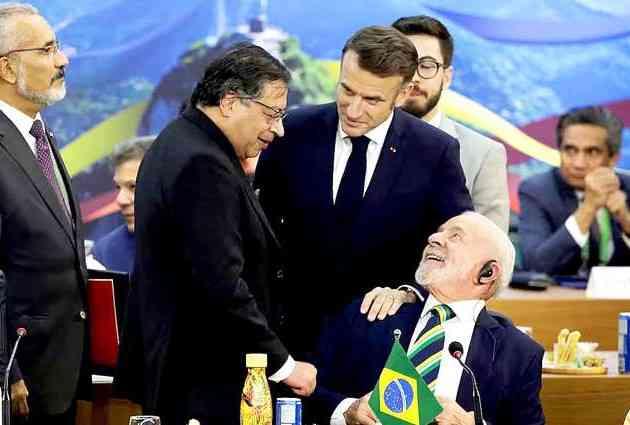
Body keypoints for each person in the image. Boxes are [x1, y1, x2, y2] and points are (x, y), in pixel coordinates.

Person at [124, 43, 316, 425]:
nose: (278, 130)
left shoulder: (180, 140)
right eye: (272, 114)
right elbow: (219, 284)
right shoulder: (203, 164)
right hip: (204, 382)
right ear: (230, 102)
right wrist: (283, 364)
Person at [255, 26, 472, 359]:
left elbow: (459, 246)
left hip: (380, 345)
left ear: (403, 93)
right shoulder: (293, 131)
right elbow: (259, 228)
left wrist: (409, 291)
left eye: (372, 100)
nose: (354, 110)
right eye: (347, 90)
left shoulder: (434, 151)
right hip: (288, 339)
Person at [310, 212, 544, 425]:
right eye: (439, 232)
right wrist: (346, 411)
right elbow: (305, 390)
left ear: (488, 273)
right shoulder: (372, 313)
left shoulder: (518, 354)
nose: (434, 238)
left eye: (455, 236)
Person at [0, 3, 90, 424]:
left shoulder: (38, 132)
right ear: (6, 68)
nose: (62, 59)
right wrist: (5, 369)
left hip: (59, 371)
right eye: (47, 49)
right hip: (19, 377)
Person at [393, 15, 509, 232]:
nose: (413, 77)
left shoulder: (483, 154)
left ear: (446, 77)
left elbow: (492, 246)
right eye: (402, 64)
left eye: (426, 66)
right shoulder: (356, 135)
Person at [519, 106, 630, 275]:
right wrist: (588, 208)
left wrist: (625, 219)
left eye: (592, 152)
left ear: (613, 158)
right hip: (558, 291)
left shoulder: (627, 187)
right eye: (570, 150)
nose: (578, 163)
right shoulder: (536, 190)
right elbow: (535, 266)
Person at [88, 136, 154, 273]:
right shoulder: (104, 255)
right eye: (118, 187)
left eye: (133, 186)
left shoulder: (200, 242)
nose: (121, 200)